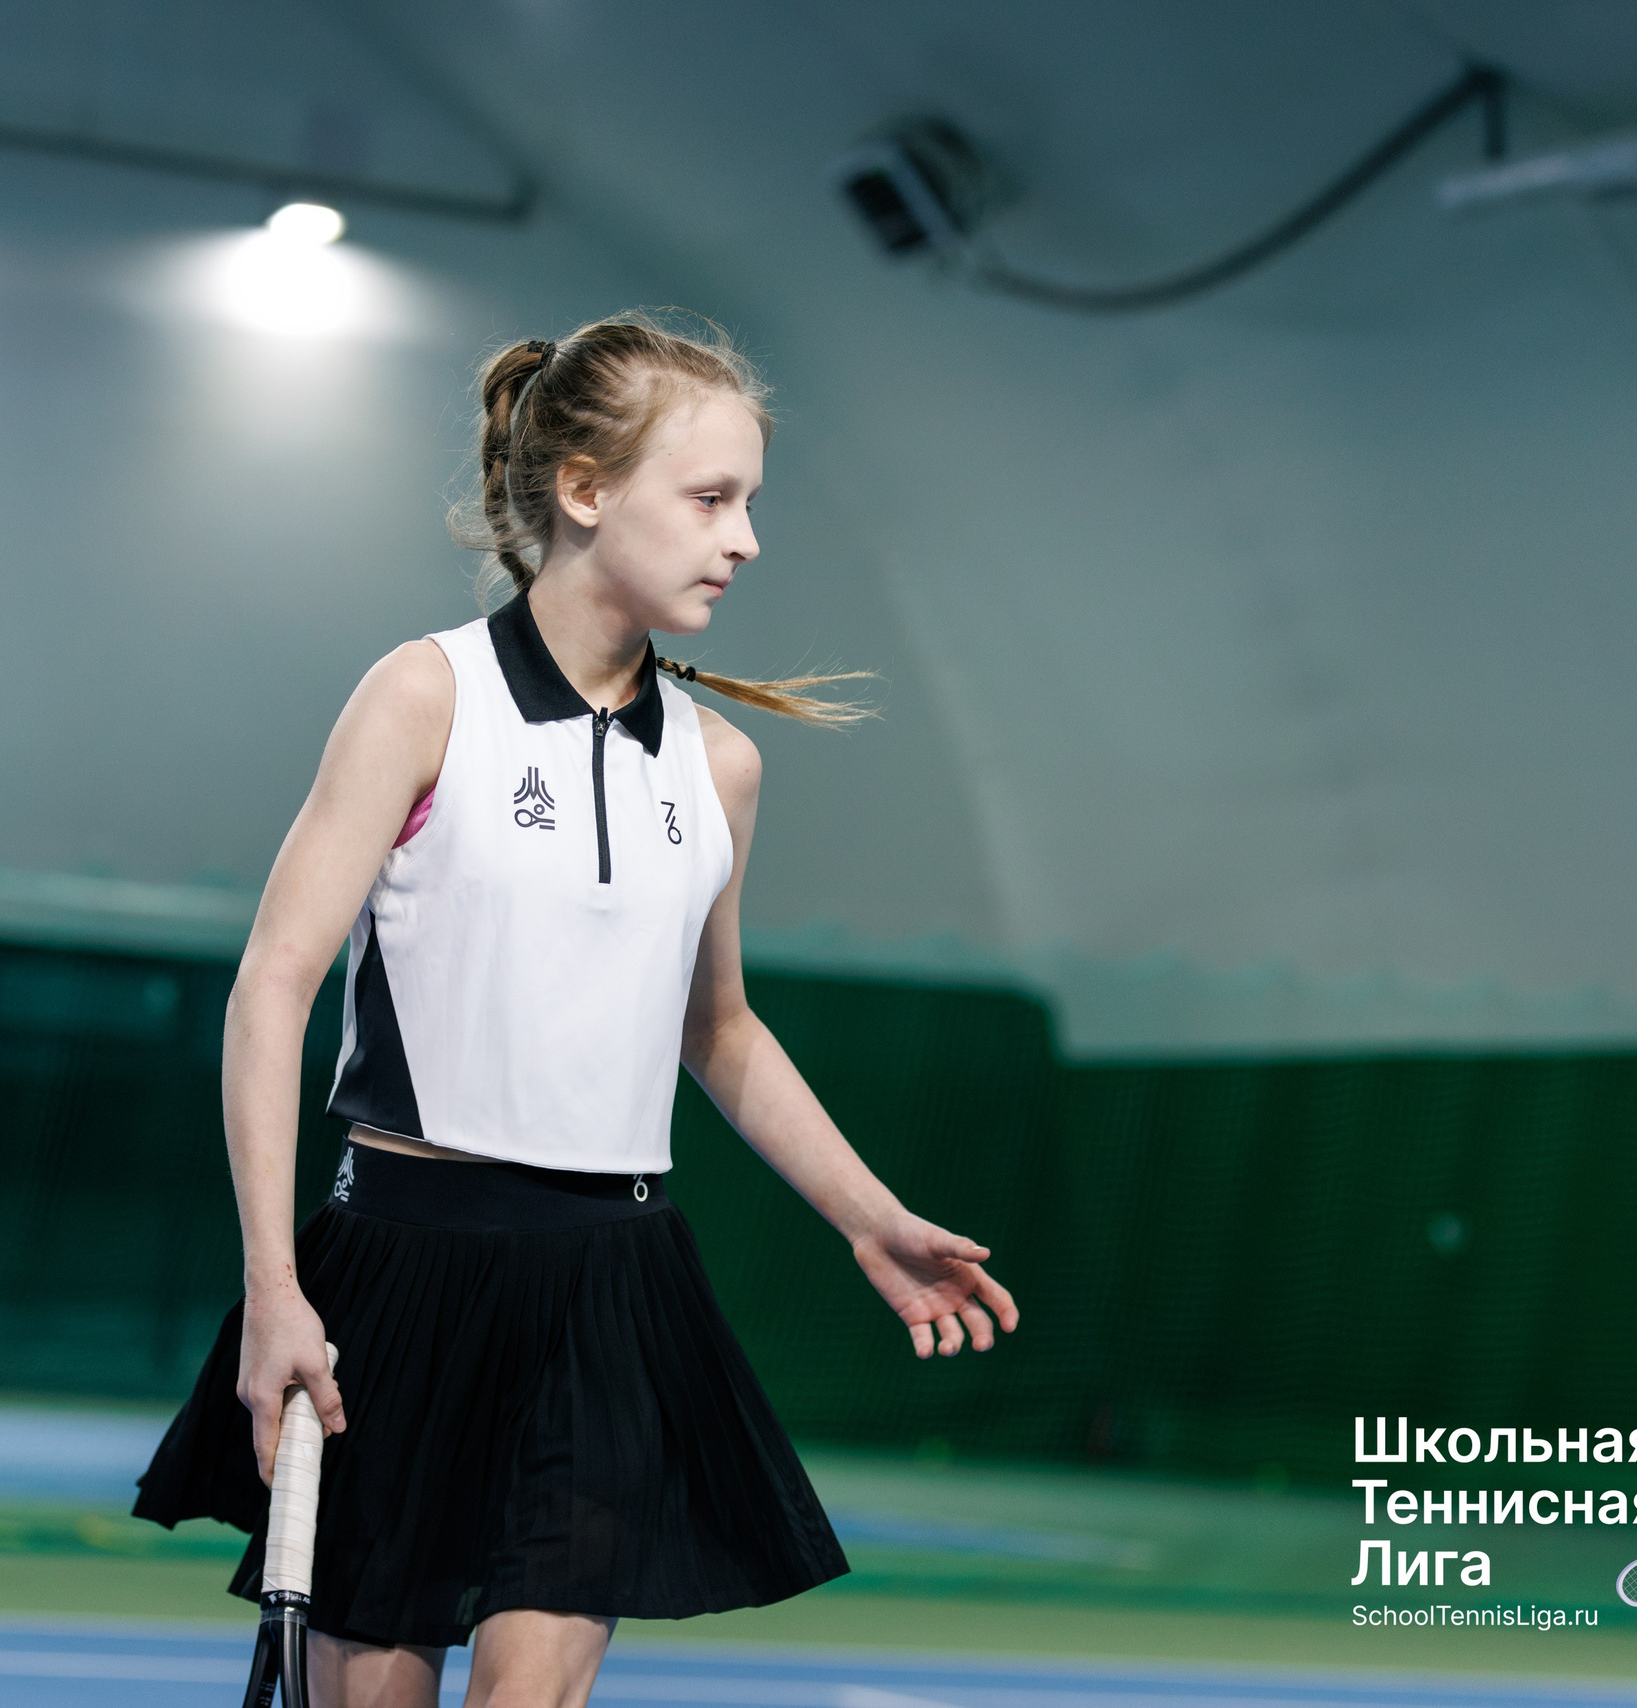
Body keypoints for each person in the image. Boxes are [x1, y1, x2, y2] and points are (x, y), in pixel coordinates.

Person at [135, 313, 1018, 1708]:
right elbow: (272, 989)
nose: (745, 542)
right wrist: (272, 1290)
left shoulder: (721, 768)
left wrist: (871, 1214)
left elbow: (718, 1029)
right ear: (587, 490)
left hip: (614, 1281)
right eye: (713, 500)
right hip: (404, 1270)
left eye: (750, 506)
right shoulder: (425, 696)